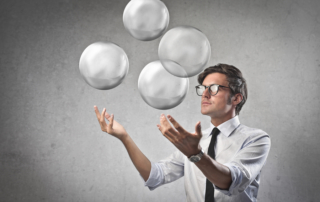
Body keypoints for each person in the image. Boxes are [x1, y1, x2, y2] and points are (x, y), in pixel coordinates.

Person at [94, 64, 271, 202]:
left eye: (214, 88)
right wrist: (124, 137)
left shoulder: (256, 138)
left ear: (236, 98)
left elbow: (231, 181)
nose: (205, 94)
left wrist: (195, 154)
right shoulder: (195, 142)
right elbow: (155, 176)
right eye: (202, 89)